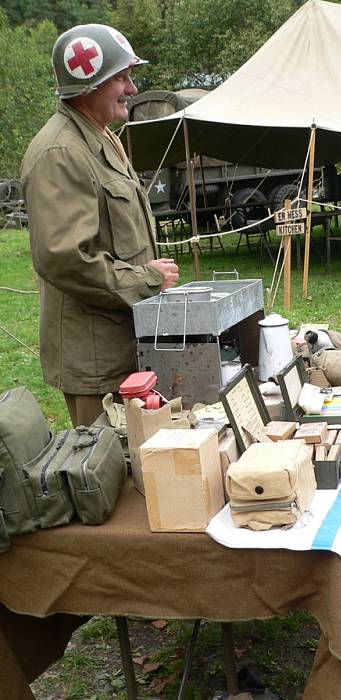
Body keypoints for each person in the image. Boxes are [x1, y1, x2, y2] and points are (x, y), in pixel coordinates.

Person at [21, 24, 179, 427]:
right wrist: (145, 280)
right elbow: (65, 258)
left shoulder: (101, 137)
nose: (131, 88)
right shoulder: (61, 153)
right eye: (121, 78)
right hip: (96, 361)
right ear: (89, 84)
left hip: (122, 343)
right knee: (109, 476)